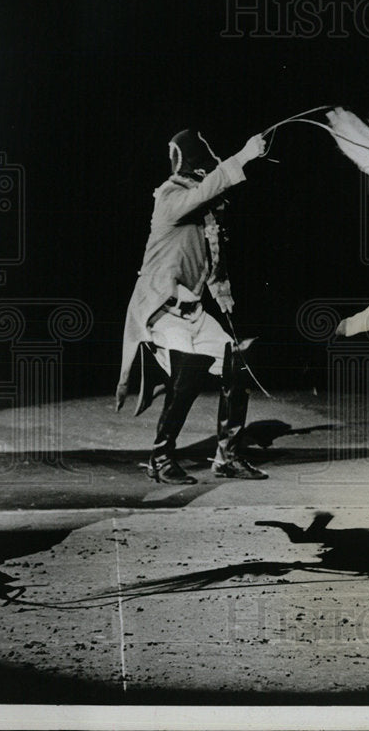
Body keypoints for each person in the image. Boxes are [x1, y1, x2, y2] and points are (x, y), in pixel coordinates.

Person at [115, 128, 269, 484]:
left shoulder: (203, 217)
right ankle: (160, 458)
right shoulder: (169, 197)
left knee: (236, 364)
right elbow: (206, 191)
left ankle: (227, 457)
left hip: (192, 313)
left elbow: (211, 264)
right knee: (191, 369)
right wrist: (243, 156)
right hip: (161, 309)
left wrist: (225, 303)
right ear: (194, 170)